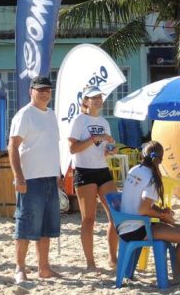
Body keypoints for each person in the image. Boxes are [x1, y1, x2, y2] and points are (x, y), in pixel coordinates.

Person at [8, 75, 61, 283]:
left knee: (46, 227)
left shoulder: (51, 114)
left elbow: (52, 146)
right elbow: (12, 146)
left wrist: (57, 174)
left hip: (49, 177)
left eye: (48, 89)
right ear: (31, 91)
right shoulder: (25, 114)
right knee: (25, 225)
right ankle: (19, 268)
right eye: (40, 90)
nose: (45, 93)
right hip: (30, 179)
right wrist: (18, 177)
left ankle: (44, 268)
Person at [68, 85, 118, 270]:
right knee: (88, 219)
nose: (97, 99)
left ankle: (113, 258)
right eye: (93, 97)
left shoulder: (105, 122)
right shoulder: (79, 120)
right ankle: (90, 263)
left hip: (103, 170)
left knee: (116, 215)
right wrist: (95, 138)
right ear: (86, 101)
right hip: (84, 171)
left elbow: (104, 150)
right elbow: (73, 148)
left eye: (99, 96)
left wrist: (110, 149)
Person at [119, 140, 180, 280]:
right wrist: (162, 216)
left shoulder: (135, 170)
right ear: (161, 159)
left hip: (125, 225)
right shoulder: (152, 178)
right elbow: (143, 209)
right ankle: (177, 278)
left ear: (142, 155)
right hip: (137, 228)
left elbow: (141, 203)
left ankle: (178, 277)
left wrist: (161, 211)